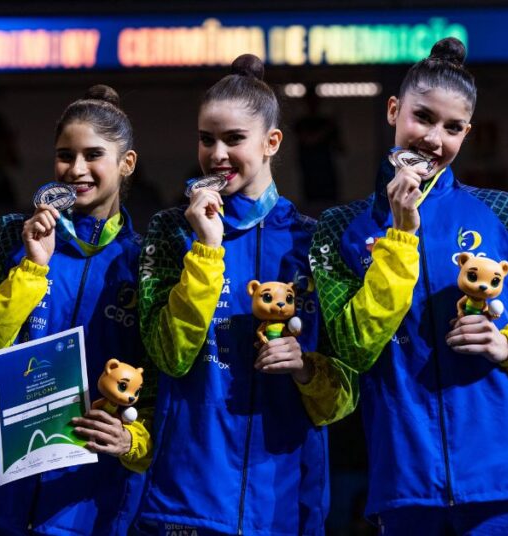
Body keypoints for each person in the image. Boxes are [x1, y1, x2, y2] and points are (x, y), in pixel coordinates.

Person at [311, 37, 508, 534]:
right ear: (394, 110)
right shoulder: (339, 229)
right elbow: (352, 349)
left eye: (453, 128)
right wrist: (399, 236)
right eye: (422, 117)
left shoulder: (502, 212)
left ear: (467, 133)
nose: (434, 140)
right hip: (407, 486)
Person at [136, 54, 356, 535]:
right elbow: (169, 356)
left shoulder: (314, 242)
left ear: (271, 142)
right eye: (206, 138)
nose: (217, 154)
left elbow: (343, 396)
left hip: (284, 502)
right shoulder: (171, 231)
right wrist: (207, 250)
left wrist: (304, 367)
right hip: (184, 498)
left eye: (234, 139)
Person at [0, 85, 151, 535]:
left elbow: (162, 386)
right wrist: (32, 268)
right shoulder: (12, 238)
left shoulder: (144, 261)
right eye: (64, 155)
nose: (76, 169)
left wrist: (132, 440)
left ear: (126, 163)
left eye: (93, 154)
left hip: (88, 501)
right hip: (0, 495)